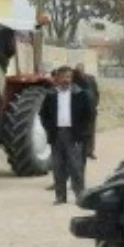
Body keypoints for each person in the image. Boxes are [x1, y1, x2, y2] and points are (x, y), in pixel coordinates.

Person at [39, 65, 94, 205]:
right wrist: (49, 128)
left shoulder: (80, 94)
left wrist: (81, 132)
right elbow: (43, 114)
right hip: (57, 134)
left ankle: (80, 195)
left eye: (68, 77)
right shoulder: (51, 95)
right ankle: (60, 196)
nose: (66, 80)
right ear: (57, 78)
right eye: (63, 77)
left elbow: (89, 115)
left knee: (76, 166)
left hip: (73, 134)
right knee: (58, 167)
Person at [72, 62, 100, 160]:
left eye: (81, 70)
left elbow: (96, 93)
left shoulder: (91, 79)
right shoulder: (73, 81)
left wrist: (94, 105)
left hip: (91, 110)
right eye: (78, 70)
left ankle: (90, 151)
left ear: (83, 70)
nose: (80, 72)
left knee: (90, 131)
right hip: (78, 111)